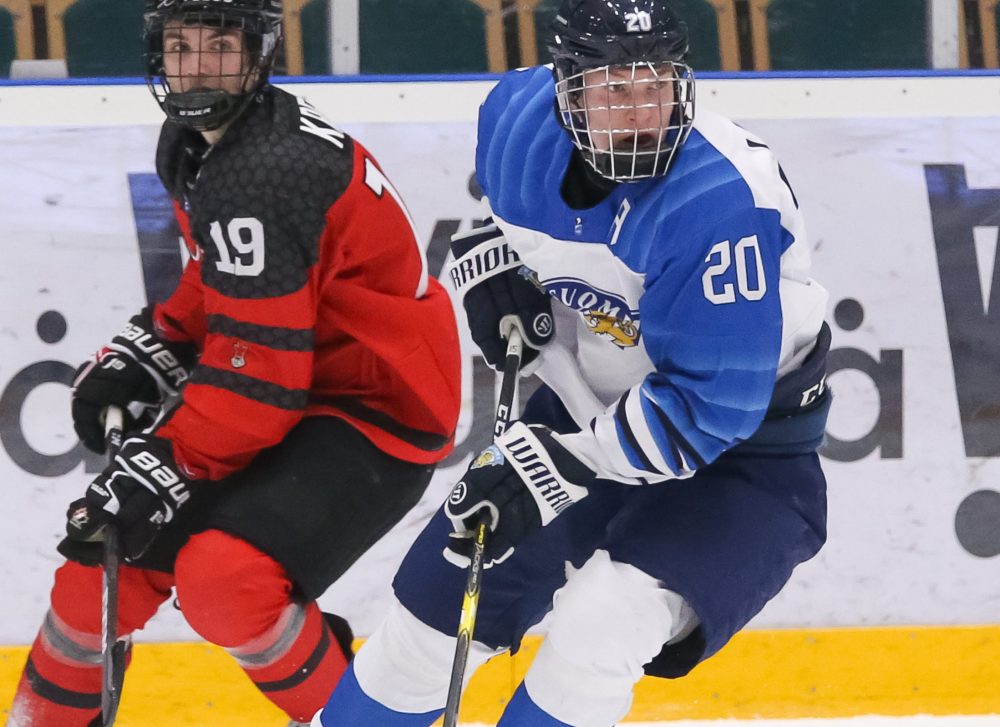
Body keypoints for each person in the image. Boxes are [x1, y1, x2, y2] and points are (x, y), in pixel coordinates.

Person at [314, 0, 832, 725]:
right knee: (427, 625)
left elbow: (706, 415)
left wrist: (554, 465)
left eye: (657, 84)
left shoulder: (718, 203)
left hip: (744, 461)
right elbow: (511, 225)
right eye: (614, 88)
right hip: (583, 410)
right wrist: (495, 267)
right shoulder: (516, 122)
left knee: (598, 629)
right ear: (566, 89)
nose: (641, 110)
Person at [6, 1, 461, 725]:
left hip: (375, 405)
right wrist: (162, 339)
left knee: (228, 581)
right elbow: (229, 280)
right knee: (95, 572)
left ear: (260, 54)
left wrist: (170, 461)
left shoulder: (264, 171)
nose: (198, 64)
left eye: (221, 44)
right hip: (296, 370)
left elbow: (260, 383)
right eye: (181, 45)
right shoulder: (208, 141)